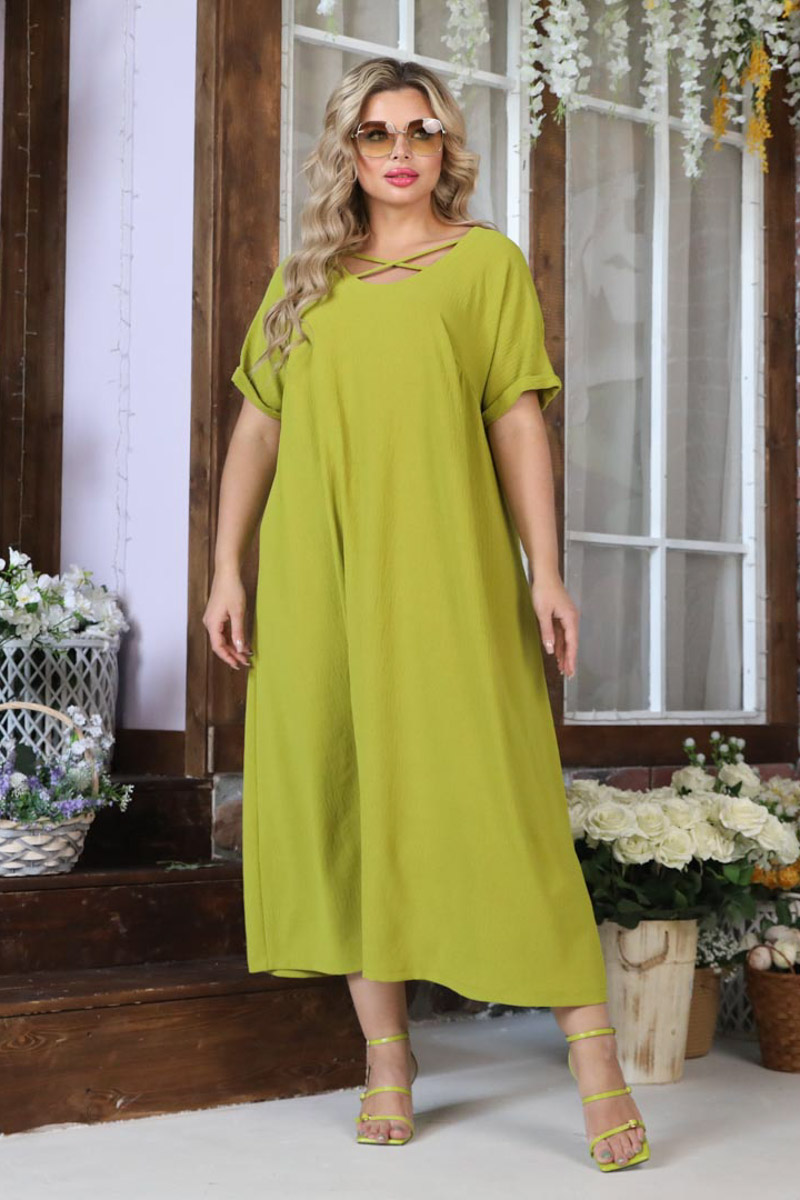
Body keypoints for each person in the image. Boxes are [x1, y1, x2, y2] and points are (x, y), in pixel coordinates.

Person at [203, 56, 649, 1170]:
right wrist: (225, 568)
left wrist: (545, 571)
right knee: (345, 792)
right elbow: (258, 427)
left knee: (500, 792)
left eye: (419, 131)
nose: (398, 152)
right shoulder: (305, 276)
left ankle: (595, 1057)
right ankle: (387, 1059)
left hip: (448, 564)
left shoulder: (485, 263)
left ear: (446, 146)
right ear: (346, 152)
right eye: (375, 133)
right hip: (317, 571)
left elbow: (517, 418)